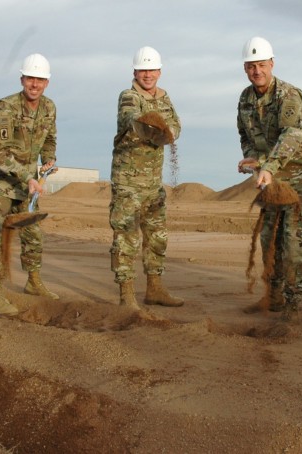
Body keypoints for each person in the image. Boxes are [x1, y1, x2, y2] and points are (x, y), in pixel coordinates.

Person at [237, 37, 302, 321]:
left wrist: (270, 166)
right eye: (251, 66)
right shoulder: (245, 99)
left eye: (261, 65)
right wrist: (252, 159)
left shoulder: (289, 96)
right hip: (272, 180)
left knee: (294, 244)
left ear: (271, 64)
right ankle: (273, 298)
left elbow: (292, 136)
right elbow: (246, 137)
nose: (257, 71)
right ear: (245, 68)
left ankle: (292, 306)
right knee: (269, 240)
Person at [0, 53, 59, 317]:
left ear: (47, 82)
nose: (34, 84)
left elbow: (50, 139)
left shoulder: (49, 108)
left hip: (26, 184)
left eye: (40, 79)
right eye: (30, 78)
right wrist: (29, 177)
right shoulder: (5, 108)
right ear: (22, 79)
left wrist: (48, 160)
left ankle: (33, 282)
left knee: (33, 234)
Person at [109, 46, 183, 309]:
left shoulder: (165, 99)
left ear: (159, 72)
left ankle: (154, 288)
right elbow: (130, 118)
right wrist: (150, 125)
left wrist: (168, 131)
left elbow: (176, 125)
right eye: (143, 70)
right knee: (126, 237)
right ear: (135, 72)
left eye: (152, 70)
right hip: (128, 182)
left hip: (154, 184)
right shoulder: (128, 96)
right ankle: (126, 294)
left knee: (157, 236)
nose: (147, 75)